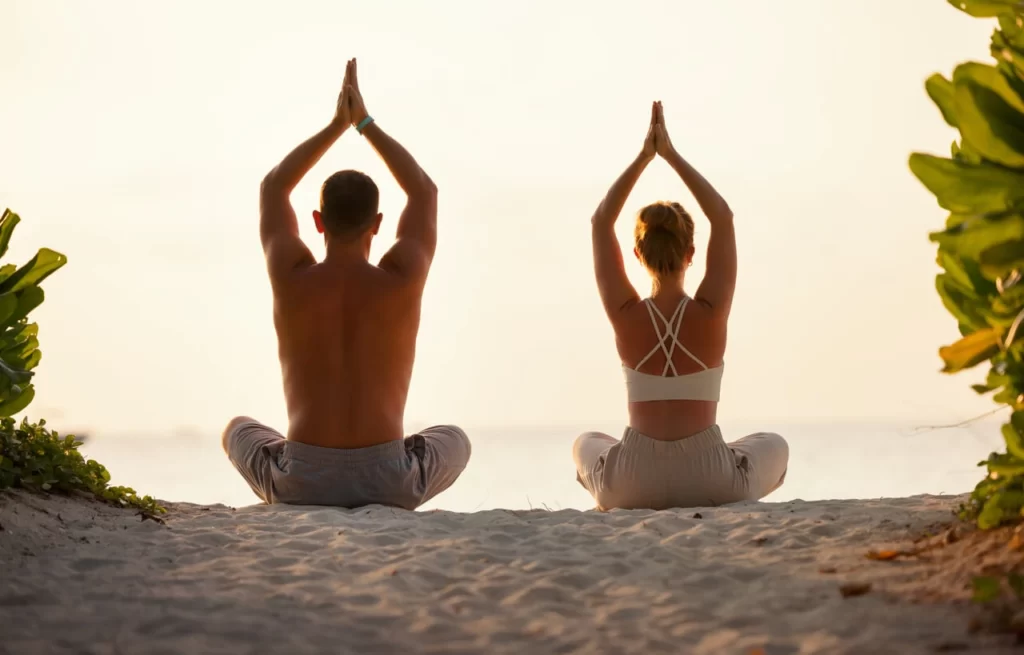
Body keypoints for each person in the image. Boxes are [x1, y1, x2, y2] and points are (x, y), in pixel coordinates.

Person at [222, 59, 471, 509]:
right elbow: (424, 192)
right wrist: (365, 124)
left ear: (317, 221)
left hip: (303, 481)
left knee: (237, 429)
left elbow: (274, 188)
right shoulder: (401, 276)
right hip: (389, 481)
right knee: (454, 439)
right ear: (378, 223)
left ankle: (295, 458)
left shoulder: (291, 273)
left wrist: (336, 125)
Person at [574, 101, 788, 511]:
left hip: (632, 481)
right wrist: (670, 155)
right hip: (710, 477)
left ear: (638, 255)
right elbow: (722, 217)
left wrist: (644, 157)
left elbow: (601, 221)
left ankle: (622, 483)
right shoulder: (710, 311)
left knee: (586, 442)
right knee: (773, 444)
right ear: (691, 252)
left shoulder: (626, 315)